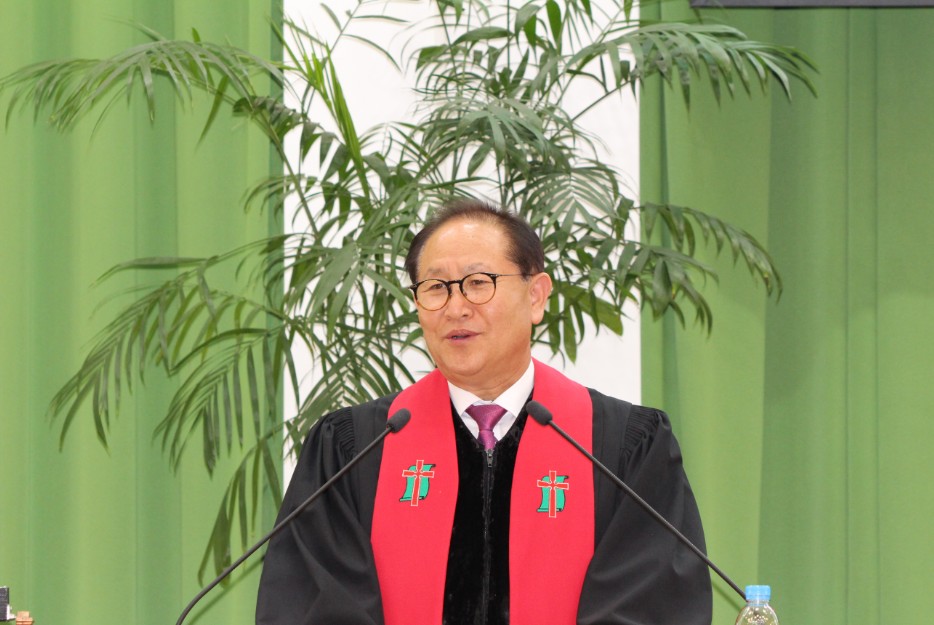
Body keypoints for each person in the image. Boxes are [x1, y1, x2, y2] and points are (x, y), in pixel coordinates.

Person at [255, 199, 712, 625]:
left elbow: (650, 604)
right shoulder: (355, 449)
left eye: (478, 283)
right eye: (435, 288)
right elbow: (314, 606)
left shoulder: (620, 448)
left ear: (536, 296)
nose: (456, 308)